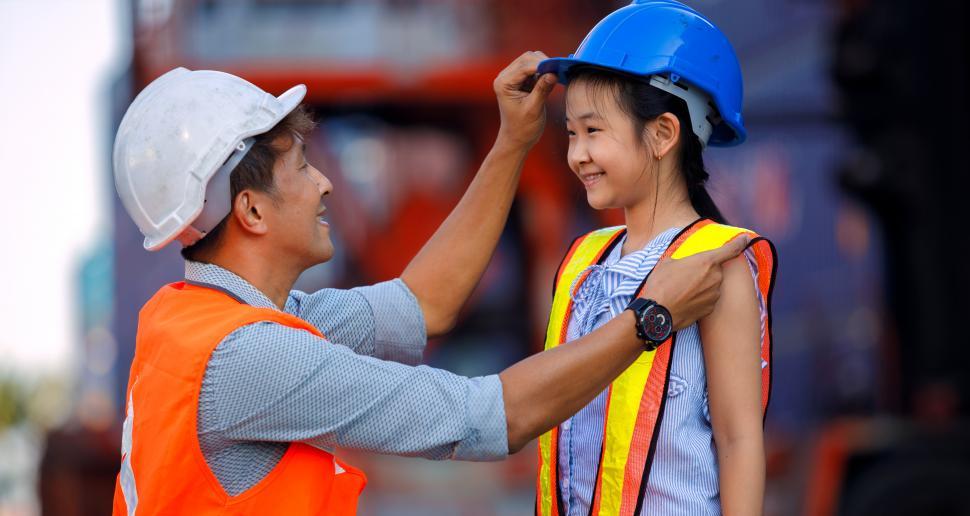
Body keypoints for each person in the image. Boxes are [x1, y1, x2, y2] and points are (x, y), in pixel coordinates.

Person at [109, 52, 749, 515]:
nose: (325, 183)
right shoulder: (248, 356)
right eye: (304, 168)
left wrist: (511, 142)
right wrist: (650, 317)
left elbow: (423, 304)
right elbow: (487, 418)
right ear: (250, 210)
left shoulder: (211, 323)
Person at [533, 2, 778, 515]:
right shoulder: (584, 260)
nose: (577, 154)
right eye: (571, 134)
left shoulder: (718, 263)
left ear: (664, 133)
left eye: (593, 131)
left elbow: (739, 441)